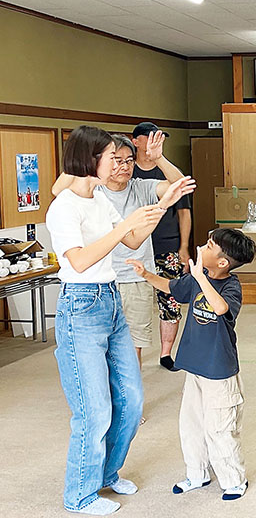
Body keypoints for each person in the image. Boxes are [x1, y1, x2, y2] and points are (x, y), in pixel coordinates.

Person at [45, 125, 194, 515]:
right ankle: (79, 495)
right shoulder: (63, 206)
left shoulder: (98, 199)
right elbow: (78, 260)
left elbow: (131, 241)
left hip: (110, 301)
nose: (122, 165)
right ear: (88, 159)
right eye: (113, 157)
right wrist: (127, 225)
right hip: (81, 307)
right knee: (94, 411)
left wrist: (164, 204)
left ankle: (107, 474)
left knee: (131, 399)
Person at [127, 228, 256, 501]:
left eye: (209, 245)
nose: (203, 247)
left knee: (219, 427)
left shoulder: (230, 286)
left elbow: (221, 309)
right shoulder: (200, 278)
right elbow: (172, 288)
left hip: (219, 371)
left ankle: (234, 480)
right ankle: (197, 473)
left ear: (222, 262)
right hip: (195, 367)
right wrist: (147, 275)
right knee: (191, 424)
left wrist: (199, 277)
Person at [51, 132, 187, 367]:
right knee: (98, 355)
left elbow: (178, 186)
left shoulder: (139, 188)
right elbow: (57, 190)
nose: (122, 166)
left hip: (134, 276)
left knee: (131, 346)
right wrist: (84, 157)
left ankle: (128, 391)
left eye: (128, 160)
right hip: (97, 284)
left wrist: (159, 159)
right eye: (115, 158)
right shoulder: (91, 193)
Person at [132, 121, 192, 370]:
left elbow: (184, 211)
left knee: (170, 300)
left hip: (167, 246)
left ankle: (166, 354)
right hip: (133, 248)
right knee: (135, 305)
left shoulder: (165, 172)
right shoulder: (127, 173)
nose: (156, 141)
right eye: (150, 137)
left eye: (160, 138)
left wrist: (184, 247)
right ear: (135, 141)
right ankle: (133, 356)